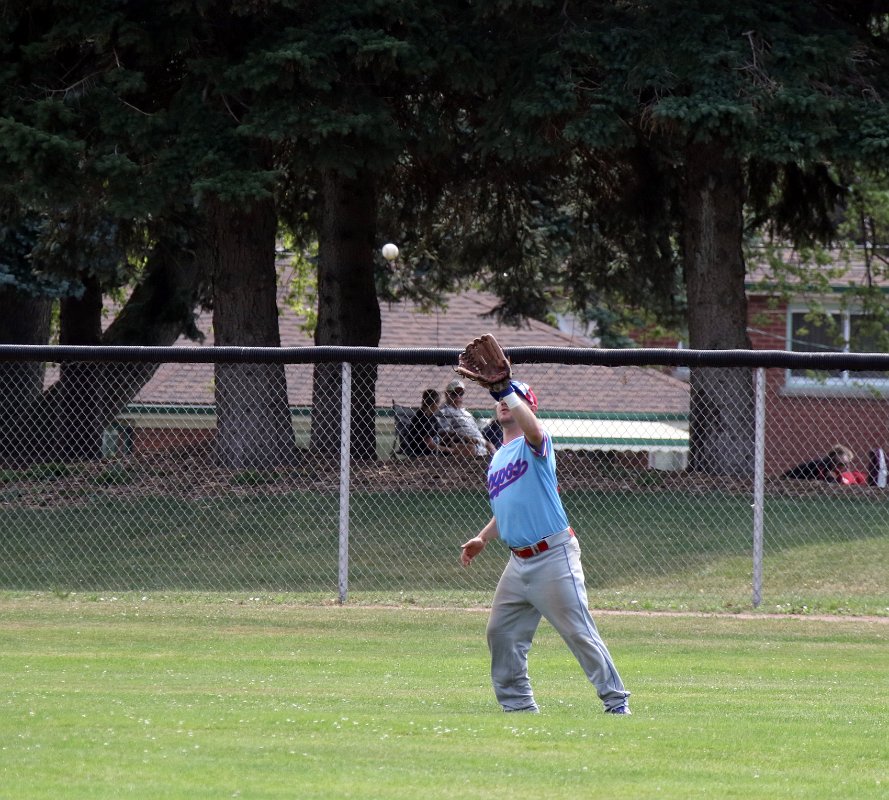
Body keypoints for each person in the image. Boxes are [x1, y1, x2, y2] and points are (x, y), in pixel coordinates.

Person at [460, 379, 631, 715]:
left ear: (530, 407)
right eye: (501, 397)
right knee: (501, 633)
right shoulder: (497, 459)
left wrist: (506, 390)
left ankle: (616, 702)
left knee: (578, 632)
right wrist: (483, 537)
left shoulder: (536, 442)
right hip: (518, 563)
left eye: (515, 397)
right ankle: (518, 706)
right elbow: (508, 506)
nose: (505, 402)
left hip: (553, 555)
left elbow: (534, 431)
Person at [436, 379, 496, 457]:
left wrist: (485, 443)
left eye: (461, 393)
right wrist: (465, 437)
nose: (458, 396)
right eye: (454, 393)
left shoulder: (467, 413)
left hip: (480, 445)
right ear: (447, 394)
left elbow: (476, 432)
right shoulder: (444, 411)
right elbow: (443, 435)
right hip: (464, 444)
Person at [401, 389, 455, 457]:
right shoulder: (422, 418)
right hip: (422, 450)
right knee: (457, 450)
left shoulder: (431, 416)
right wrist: (450, 450)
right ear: (434, 404)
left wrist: (450, 435)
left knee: (458, 445)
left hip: (433, 446)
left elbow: (436, 434)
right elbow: (430, 445)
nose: (439, 406)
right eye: (438, 403)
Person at [783, 445, 855, 483]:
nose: (846, 467)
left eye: (848, 463)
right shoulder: (822, 466)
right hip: (790, 480)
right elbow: (827, 484)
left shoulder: (834, 469)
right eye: (841, 464)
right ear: (832, 460)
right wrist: (832, 478)